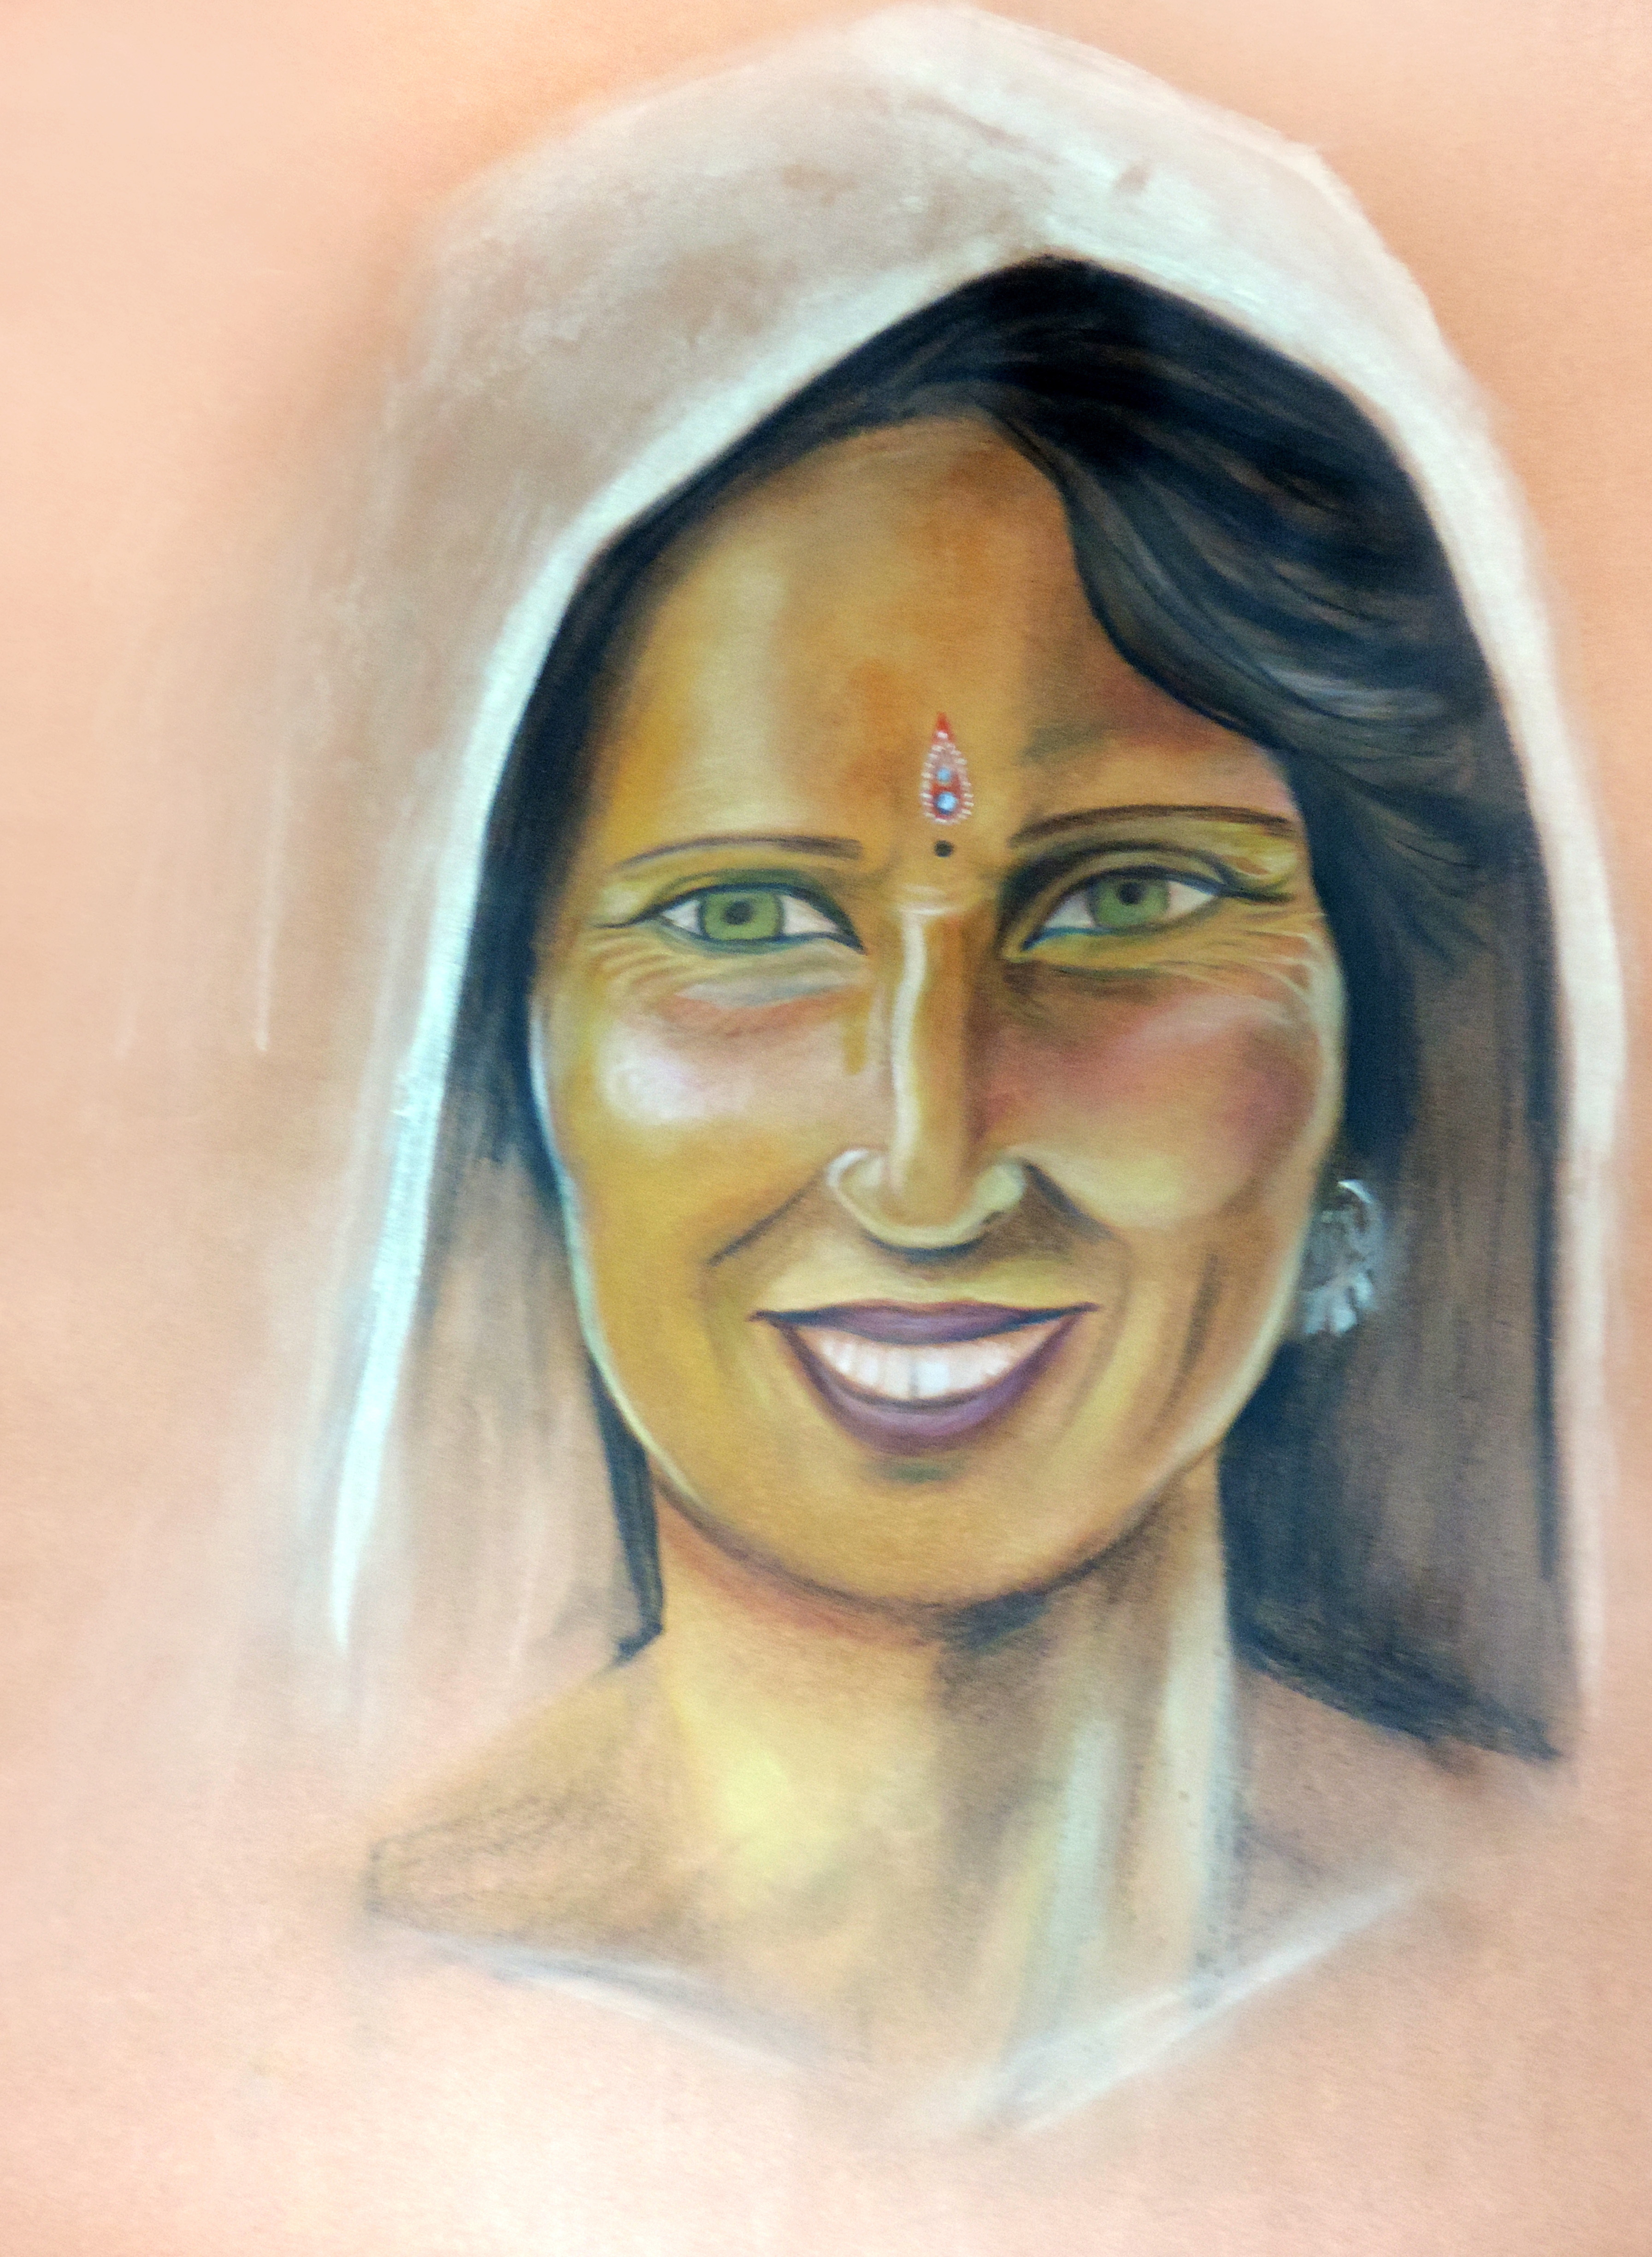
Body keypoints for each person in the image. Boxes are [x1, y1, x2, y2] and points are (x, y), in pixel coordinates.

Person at [323, 14, 1613, 2111]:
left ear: (1376, 1072)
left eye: (1123, 903)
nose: (930, 1161)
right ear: (520, 1067)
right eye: (745, 922)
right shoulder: (334, 2009)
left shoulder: (1557, 1967)